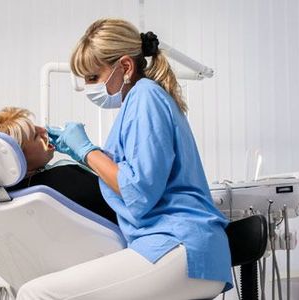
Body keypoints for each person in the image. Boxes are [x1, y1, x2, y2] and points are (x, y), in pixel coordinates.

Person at [16, 19, 233, 300]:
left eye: (93, 78)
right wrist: (81, 152)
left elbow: (139, 191)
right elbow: (134, 173)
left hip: (181, 246)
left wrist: (86, 150)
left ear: (126, 67)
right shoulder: (141, 101)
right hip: (178, 247)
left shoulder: (145, 98)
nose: (88, 88)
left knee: (36, 293)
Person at [0, 106, 117, 223]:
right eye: (35, 135)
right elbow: (126, 192)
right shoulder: (63, 177)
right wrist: (87, 153)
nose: (44, 130)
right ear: (16, 157)